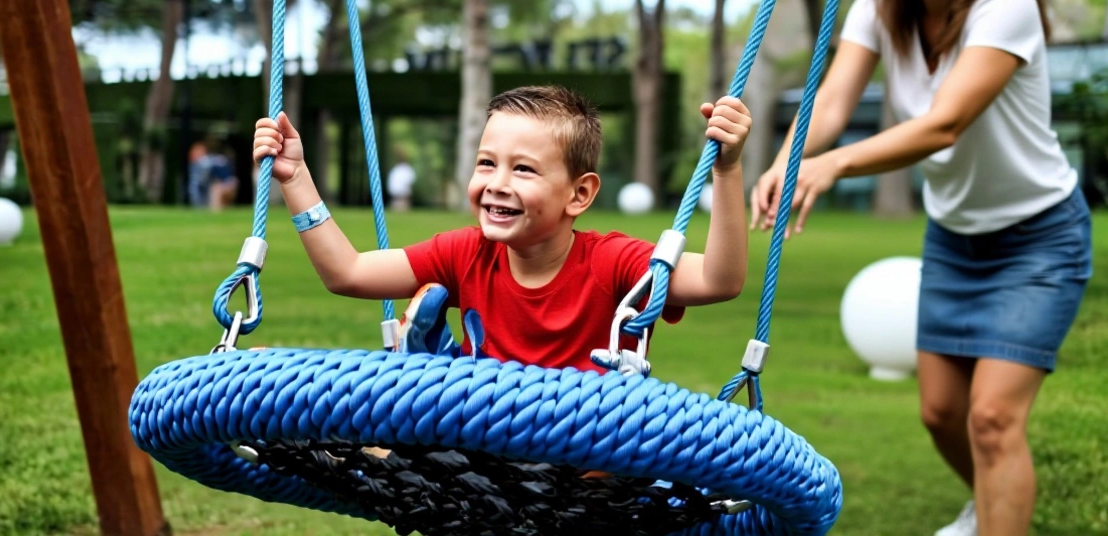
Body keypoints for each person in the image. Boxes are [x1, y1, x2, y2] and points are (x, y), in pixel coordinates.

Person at [749, 0, 1092, 536]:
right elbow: (833, 102)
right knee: (940, 413)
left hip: (1038, 238)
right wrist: (788, 162)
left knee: (993, 419)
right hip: (954, 238)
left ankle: (1001, 510)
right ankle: (995, 499)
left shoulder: (1006, 4)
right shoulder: (881, 2)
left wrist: (833, 167)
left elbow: (944, 124)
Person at [254, 85, 753, 372]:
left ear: (579, 195)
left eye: (524, 170)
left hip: (589, 470)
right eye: (487, 163)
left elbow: (717, 280)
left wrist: (727, 171)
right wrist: (297, 178)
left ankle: (435, 363)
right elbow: (349, 272)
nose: (496, 184)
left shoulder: (612, 263)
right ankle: (432, 369)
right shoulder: (465, 254)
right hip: (490, 457)